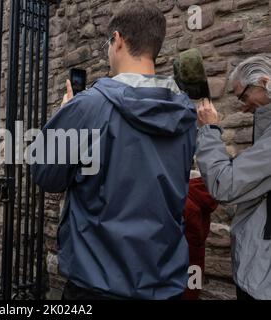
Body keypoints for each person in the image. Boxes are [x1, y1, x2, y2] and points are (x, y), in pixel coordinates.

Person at [31, 1, 197, 300]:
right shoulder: (185, 114)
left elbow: (47, 175)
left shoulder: (88, 106)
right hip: (164, 282)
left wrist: (66, 114)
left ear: (118, 40)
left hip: (98, 281)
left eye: (109, 43)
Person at [196, 54, 271, 300]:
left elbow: (224, 184)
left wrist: (209, 130)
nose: (242, 105)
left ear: (265, 82)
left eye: (243, 96)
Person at [182, 172, 218, 300]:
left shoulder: (185, 200)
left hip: (183, 257)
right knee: (193, 290)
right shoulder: (206, 199)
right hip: (197, 258)